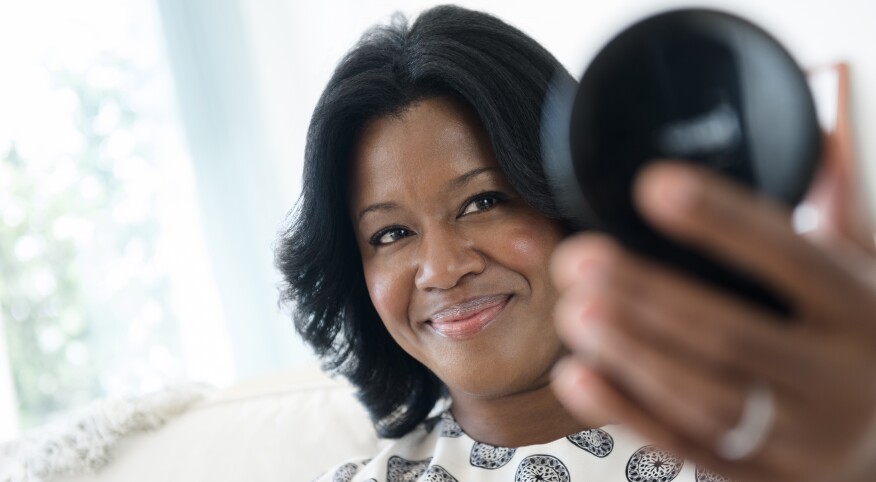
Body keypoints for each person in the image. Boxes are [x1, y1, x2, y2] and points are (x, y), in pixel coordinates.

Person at [276, 5, 876, 481]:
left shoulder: (779, 438)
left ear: (577, 200)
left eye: (483, 202)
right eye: (391, 233)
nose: (442, 268)